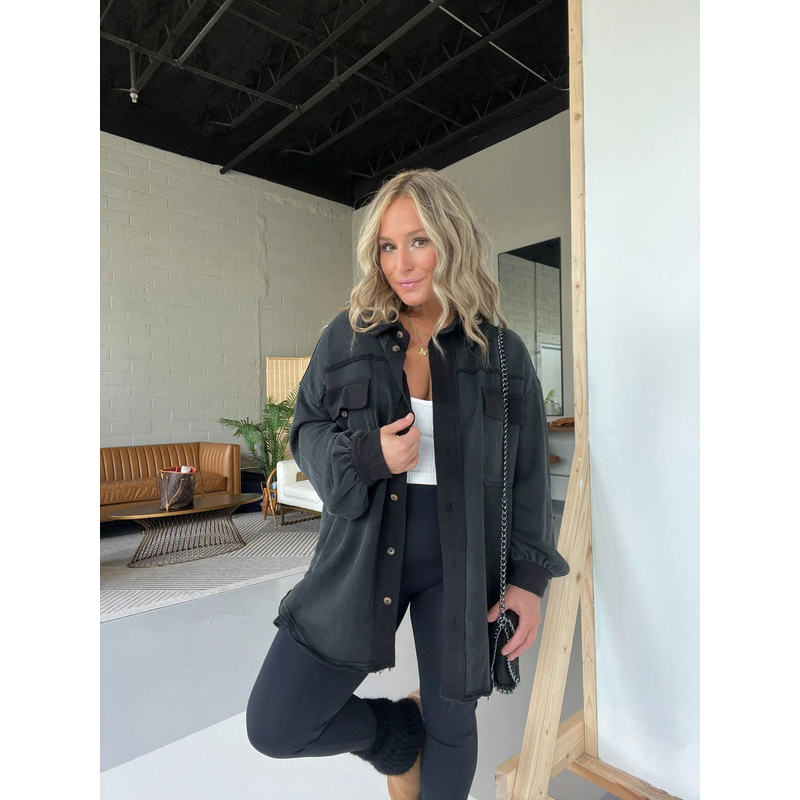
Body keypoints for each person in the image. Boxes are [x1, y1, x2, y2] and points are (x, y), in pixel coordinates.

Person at [245, 168, 571, 800]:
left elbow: (527, 475)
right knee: (275, 725)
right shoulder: (347, 337)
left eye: (419, 241)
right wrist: (369, 454)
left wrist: (529, 583)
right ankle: (395, 732)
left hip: (462, 562)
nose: (402, 263)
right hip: (361, 554)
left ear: (452, 240)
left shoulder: (502, 354)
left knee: (453, 725)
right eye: (388, 246)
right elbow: (306, 431)